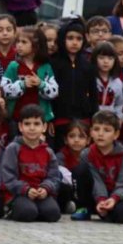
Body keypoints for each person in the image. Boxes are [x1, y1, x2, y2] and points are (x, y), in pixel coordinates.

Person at [1, 104, 62, 223]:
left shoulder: (48, 151)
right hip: (19, 193)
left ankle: (37, 209)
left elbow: (54, 176)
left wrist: (46, 188)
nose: (32, 128)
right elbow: (8, 177)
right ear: (20, 126)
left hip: (40, 193)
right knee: (28, 213)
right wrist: (26, 189)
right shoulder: (13, 148)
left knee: (53, 214)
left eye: (36, 124)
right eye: (27, 124)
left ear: (44, 127)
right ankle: (11, 210)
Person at [70, 111, 123, 223]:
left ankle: (105, 212)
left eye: (107, 130)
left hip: (116, 196)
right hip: (94, 195)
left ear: (116, 134)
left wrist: (113, 199)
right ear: (91, 132)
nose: (100, 134)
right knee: (79, 170)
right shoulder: (87, 153)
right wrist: (101, 200)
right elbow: (96, 180)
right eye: (96, 129)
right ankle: (84, 208)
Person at [49, 18, 96, 150]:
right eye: (70, 38)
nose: (74, 42)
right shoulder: (54, 63)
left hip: (83, 119)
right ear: (63, 39)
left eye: (79, 39)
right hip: (59, 118)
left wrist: (93, 119)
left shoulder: (87, 65)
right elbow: (48, 94)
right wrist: (49, 119)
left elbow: (93, 95)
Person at [1, 26, 58, 123]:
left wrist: (41, 84)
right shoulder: (13, 66)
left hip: (40, 120)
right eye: (18, 42)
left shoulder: (45, 67)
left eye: (24, 42)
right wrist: (22, 84)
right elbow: (4, 90)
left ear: (36, 46)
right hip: (17, 118)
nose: (19, 45)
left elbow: (54, 92)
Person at [92, 42, 123, 125]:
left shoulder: (117, 82)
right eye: (101, 58)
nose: (106, 61)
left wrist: (119, 118)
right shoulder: (90, 79)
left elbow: (119, 103)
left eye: (110, 58)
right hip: (92, 119)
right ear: (95, 59)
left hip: (110, 121)